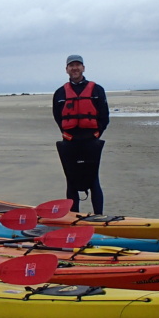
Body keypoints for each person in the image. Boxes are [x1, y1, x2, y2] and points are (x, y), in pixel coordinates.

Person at [52, 54, 109, 214]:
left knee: (93, 180)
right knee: (71, 181)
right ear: (67, 69)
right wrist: (66, 135)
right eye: (71, 65)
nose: (75, 68)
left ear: (83, 68)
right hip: (70, 142)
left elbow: (104, 116)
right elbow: (58, 117)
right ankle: (73, 217)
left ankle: (98, 216)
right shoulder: (60, 93)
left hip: (91, 141)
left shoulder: (97, 90)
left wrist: (97, 134)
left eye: (78, 65)